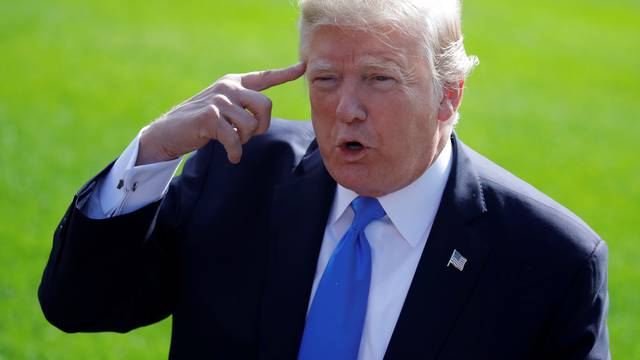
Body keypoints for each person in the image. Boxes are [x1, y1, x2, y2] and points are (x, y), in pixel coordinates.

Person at [38, 0, 610, 359]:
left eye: (379, 79)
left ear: (448, 95)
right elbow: (78, 306)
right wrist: (154, 150)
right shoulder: (237, 171)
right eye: (326, 78)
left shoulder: (551, 261)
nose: (346, 109)